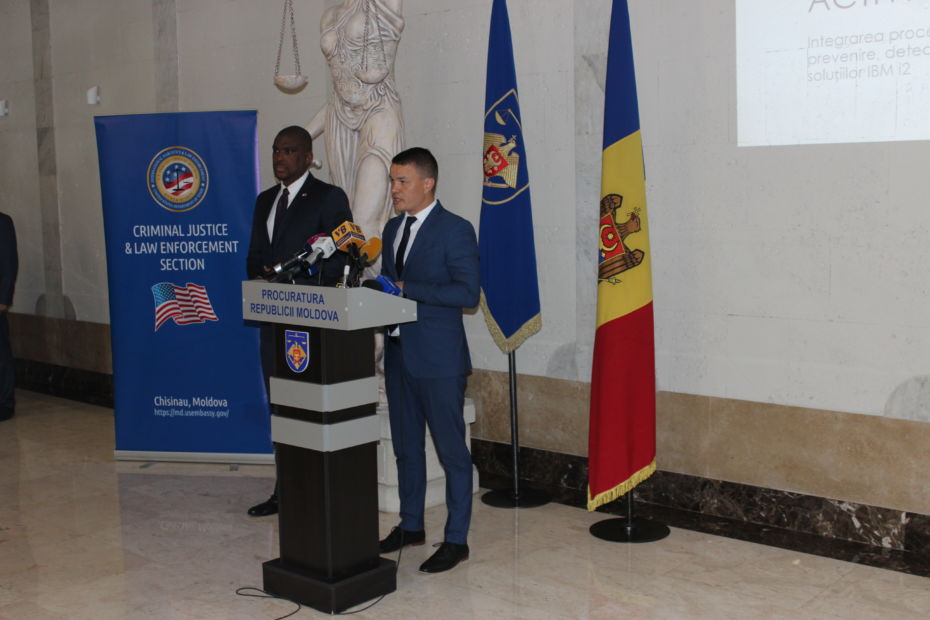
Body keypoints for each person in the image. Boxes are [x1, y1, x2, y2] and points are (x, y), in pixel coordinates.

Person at [378, 147, 479, 573]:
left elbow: (467, 294)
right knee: (406, 449)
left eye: (402, 181)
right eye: (392, 181)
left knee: (452, 452)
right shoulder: (391, 228)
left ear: (428, 183)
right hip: (399, 355)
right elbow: (390, 287)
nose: (394, 189)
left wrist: (408, 288)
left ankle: (456, 539)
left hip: (438, 360)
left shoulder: (455, 229)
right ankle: (411, 525)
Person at [245, 126, 352, 516]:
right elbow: (256, 255)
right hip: (272, 323)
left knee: (308, 408)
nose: (280, 157)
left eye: (289, 151)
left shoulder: (328, 197)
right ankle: (285, 489)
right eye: (276, 150)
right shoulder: (265, 200)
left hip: (309, 323)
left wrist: (295, 281)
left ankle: (317, 489)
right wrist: (262, 273)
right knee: (280, 406)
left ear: (308, 157)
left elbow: (341, 255)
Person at [306, 0, 405, 259]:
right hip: (339, 119)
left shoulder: (385, 5)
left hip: (378, 112)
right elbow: (336, 94)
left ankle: (375, 282)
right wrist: (304, 137)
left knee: (364, 219)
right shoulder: (330, 15)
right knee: (348, 221)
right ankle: (359, 279)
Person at [0, 212, 17, 422]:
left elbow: (9, 262)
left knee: (1, 355)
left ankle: (4, 403)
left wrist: (4, 298)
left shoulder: (2, 222)